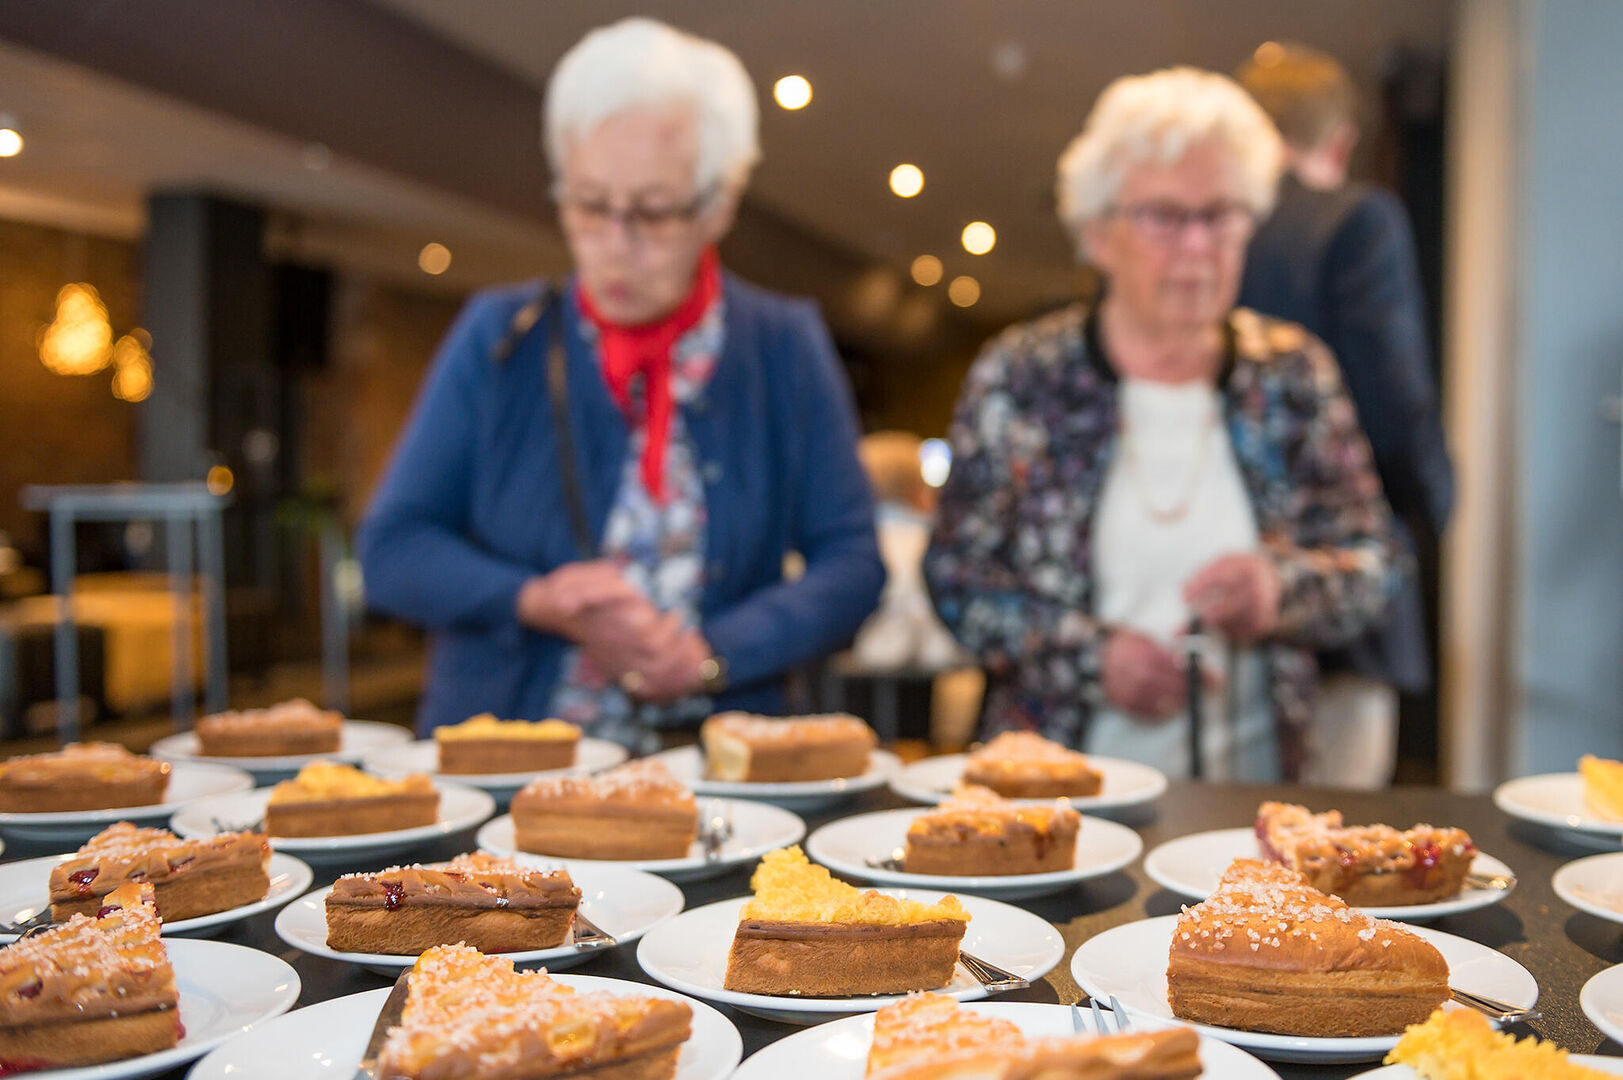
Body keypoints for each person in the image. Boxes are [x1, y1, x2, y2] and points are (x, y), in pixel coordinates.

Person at [358, 17, 884, 744]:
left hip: (717, 773)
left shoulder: (782, 345)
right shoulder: (499, 336)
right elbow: (391, 549)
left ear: (719, 205)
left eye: (653, 211)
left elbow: (853, 564)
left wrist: (712, 654)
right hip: (512, 768)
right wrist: (536, 599)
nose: (614, 246)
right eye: (588, 204)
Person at [924, 67, 1401, 781]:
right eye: (1163, 216)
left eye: (1220, 214)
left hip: (1250, 803)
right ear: (1097, 232)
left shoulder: (1294, 374)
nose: (1196, 245)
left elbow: (1372, 562)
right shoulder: (1022, 376)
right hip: (1054, 803)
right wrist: (1091, 660)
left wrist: (1280, 589)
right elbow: (958, 577)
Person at [1238, 43, 1454, 787]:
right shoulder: (1354, 220)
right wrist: (1432, 507)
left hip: (1214, 586)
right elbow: (1396, 400)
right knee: (1328, 843)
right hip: (1333, 582)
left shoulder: (1201, 230)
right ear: (1340, 140)